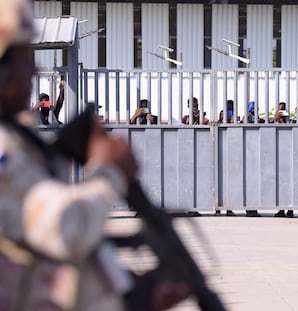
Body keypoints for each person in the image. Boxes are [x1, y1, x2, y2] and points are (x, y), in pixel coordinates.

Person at [0, 1, 189, 310]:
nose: (34, 70)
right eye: (24, 58)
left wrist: (127, 296)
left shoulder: (19, 135)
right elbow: (67, 228)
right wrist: (109, 171)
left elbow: (42, 260)